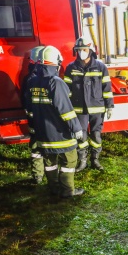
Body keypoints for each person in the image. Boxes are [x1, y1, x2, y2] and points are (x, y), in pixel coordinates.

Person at [26, 45, 84, 198]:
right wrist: (77, 128)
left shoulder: (33, 82)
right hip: (61, 134)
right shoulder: (56, 83)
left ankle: (54, 188)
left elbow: (30, 109)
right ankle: (67, 190)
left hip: (43, 134)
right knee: (69, 161)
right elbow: (66, 110)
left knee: (50, 162)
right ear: (56, 63)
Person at [64, 38, 114, 171]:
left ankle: (95, 160)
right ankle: (83, 160)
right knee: (81, 135)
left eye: (84, 49)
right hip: (79, 110)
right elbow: (67, 91)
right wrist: (67, 109)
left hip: (97, 109)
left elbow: (107, 88)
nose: (81, 52)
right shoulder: (70, 68)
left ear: (90, 50)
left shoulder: (101, 67)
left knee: (96, 135)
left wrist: (109, 106)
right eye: (79, 50)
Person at [23, 45, 46, 184]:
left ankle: (38, 175)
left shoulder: (29, 77)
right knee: (43, 147)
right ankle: (50, 175)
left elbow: (24, 100)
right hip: (42, 120)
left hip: (33, 120)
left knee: (36, 147)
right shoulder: (39, 78)